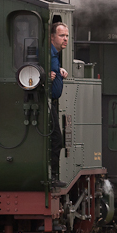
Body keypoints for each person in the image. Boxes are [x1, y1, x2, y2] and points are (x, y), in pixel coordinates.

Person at [50, 22, 70, 187]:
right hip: (45, 102)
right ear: (52, 37)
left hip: (51, 101)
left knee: (56, 139)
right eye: (62, 35)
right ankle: (53, 177)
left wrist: (59, 70)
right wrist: (44, 74)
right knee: (56, 139)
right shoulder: (47, 54)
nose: (65, 39)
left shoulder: (55, 55)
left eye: (67, 36)